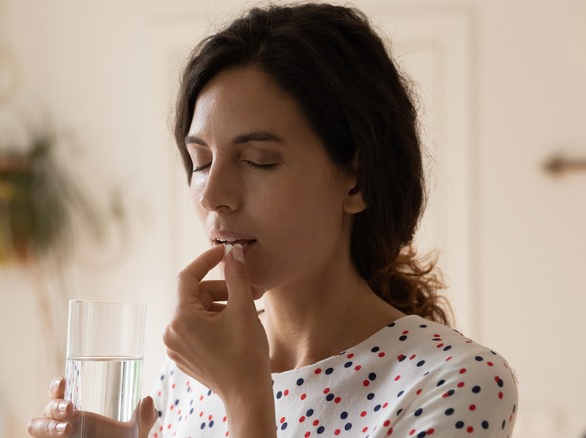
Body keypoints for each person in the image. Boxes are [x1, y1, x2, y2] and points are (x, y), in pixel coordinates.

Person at [27, 3, 518, 437]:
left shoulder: (456, 380)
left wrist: (246, 398)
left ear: (357, 183)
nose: (214, 195)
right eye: (200, 162)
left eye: (259, 160)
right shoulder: (189, 371)